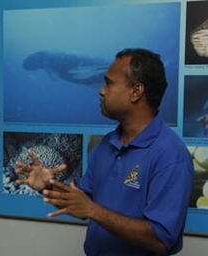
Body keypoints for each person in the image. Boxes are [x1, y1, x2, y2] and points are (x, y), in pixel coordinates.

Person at [16, 48, 194, 255]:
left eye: (109, 83)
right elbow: (83, 203)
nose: (101, 90)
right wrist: (46, 186)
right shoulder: (108, 144)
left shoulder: (171, 155)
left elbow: (161, 240)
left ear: (136, 91)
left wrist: (94, 211)